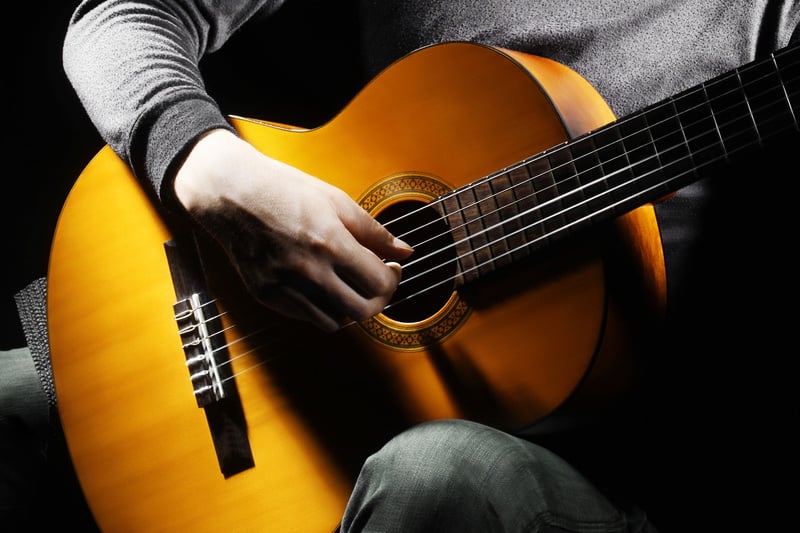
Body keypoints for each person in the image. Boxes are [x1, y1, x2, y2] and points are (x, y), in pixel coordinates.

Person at [4, 0, 798, 531]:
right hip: (265, 372)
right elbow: (116, 19)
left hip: (598, 470)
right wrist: (220, 179)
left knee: (433, 475)